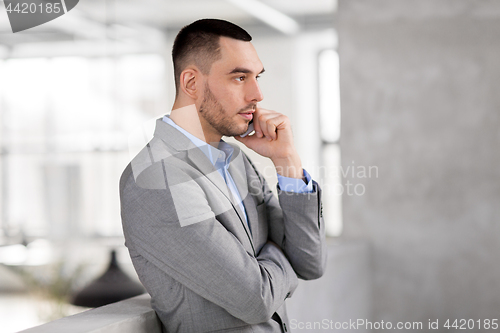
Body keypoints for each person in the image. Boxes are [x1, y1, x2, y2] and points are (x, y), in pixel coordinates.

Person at [120, 18, 326, 333]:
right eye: (239, 77)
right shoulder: (156, 177)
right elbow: (256, 299)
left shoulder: (236, 159)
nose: (257, 94)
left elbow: (310, 262)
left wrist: (286, 160)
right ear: (191, 83)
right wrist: (280, 255)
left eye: (256, 77)